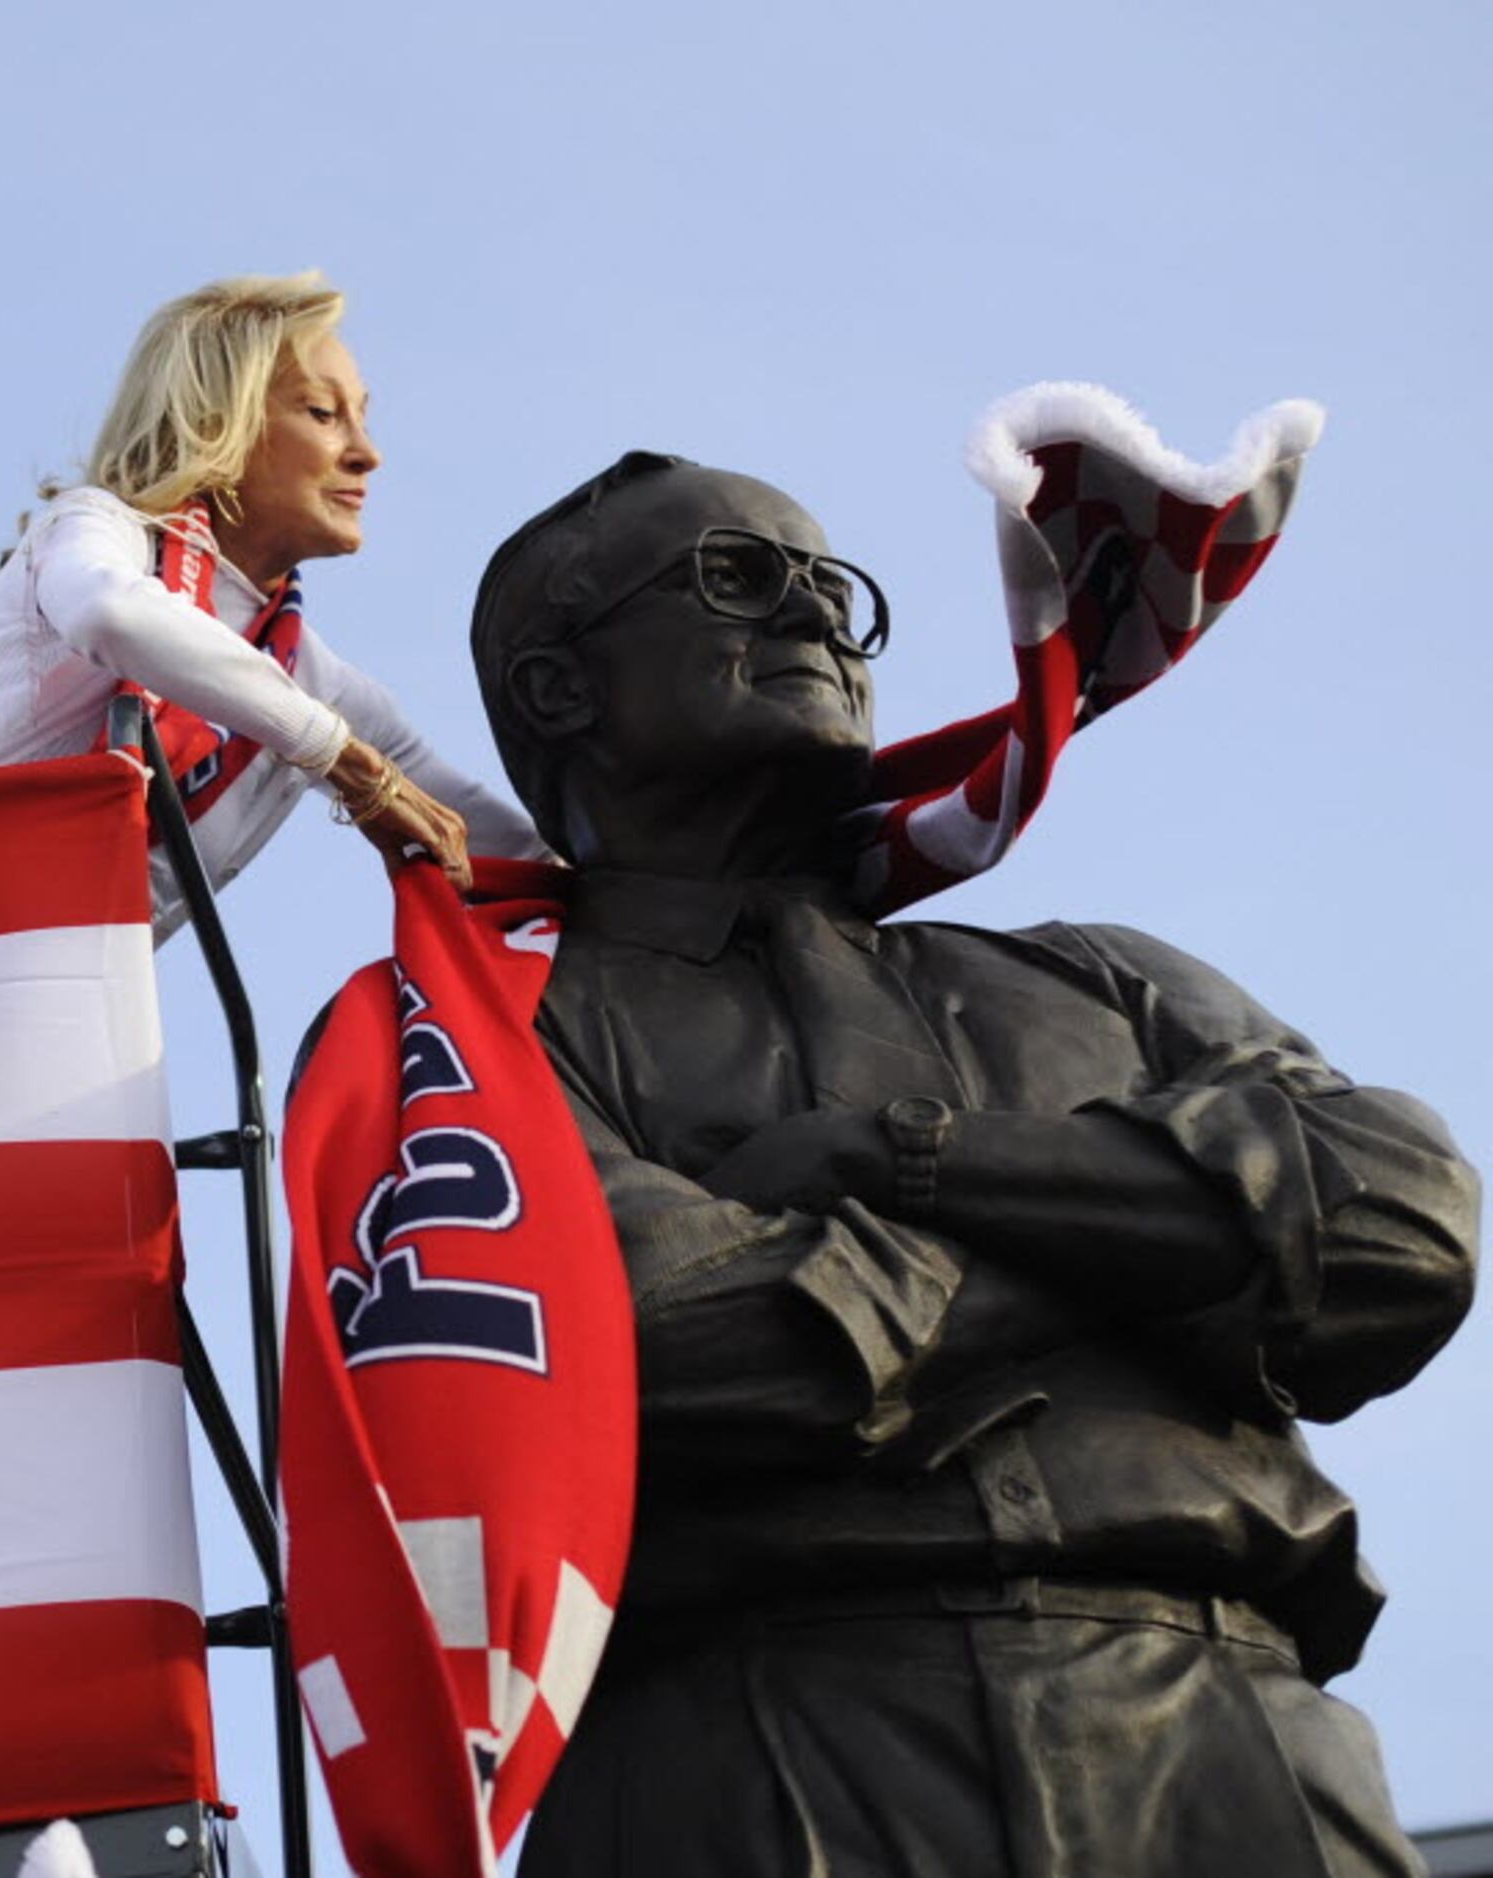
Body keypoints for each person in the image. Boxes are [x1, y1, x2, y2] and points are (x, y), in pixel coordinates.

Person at [465, 452, 1478, 1877]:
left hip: (1236, 1742)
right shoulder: (475, 1026)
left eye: (834, 589)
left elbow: (1398, 1224)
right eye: (740, 580)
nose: (817, 620)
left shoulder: (1108, 981)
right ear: (563, 689)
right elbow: (679, 1349)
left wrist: (912, 1161)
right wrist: (1162, 1245)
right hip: (750, 1752)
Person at [0, 272, 541, 936]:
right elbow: (113, 615)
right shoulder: (94, 530)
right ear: (217, 423)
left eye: (363, 417)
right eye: (322, 412)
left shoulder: (312, 682)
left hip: (26, 1002)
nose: (366, 452)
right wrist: (335, 754)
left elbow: (498, 847)